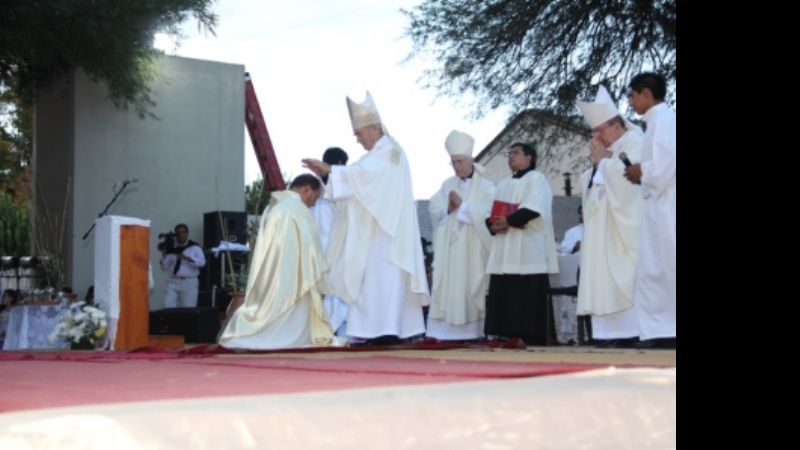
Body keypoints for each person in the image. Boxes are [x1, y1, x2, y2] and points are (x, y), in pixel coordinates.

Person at [302, 91, 429, 344]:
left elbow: (365, 178)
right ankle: (373, 331)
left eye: (359, 133)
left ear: (372, 127)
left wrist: (331, 170)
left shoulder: (391, 151)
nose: (357, 139)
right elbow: (357, 183)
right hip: (373, 232)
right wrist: (329, 175)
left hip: (387, 233)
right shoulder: (374, 156)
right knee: (370, 280)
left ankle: (388, 330)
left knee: (384, 280)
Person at [218, 174, 336, 349]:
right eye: (316, 197)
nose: (314, 203)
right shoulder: (297, 208)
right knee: (290, 314)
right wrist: (320, 279)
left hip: (272, 273)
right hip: (294, 275)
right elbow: (311, 248)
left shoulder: (272, 206)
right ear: (306, 190)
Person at [575, 85, 645, 348]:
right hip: (602, 230)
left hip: (625, 231)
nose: (597, 136)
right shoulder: (608, 151)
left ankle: (633, 331)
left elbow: (633, 186)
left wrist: (604, 163)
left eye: (600, 130)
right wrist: (600, 165)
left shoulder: (637, 142)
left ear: (616, 125)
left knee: (629, 274)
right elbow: (593, 186)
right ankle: (607, 334)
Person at [484, 142, 559, 345]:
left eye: (515, 153)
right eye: (509, 153)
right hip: (505, 248)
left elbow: (534, 209)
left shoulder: (537, 179)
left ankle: (532, 336)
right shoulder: (502, 184)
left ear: (529, 158)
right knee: (505, 290)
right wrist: (494, 225)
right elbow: (489, 215)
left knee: (527, 292)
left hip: (528, 248)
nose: (511, 157)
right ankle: (505, 333)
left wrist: (507, 221)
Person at [426, 130, 495, 341]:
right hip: (451, 249)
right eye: (453, 162)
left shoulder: (487, 186)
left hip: (473, 247)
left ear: (471, 160)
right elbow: (433, 208)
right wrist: (448, 207)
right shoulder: (448, 184)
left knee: (471, 283)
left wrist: (463, 207)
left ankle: (473, 331)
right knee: (447, 284)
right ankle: (444, 333)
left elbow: (489, 214)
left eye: (460, 161)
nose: (456, 166)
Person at [624, 72, 676, 349]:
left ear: (646, 93)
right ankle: (661, 329)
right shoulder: (656, 121)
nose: (630, 102)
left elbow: (666, 165)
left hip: (668, 206)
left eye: (632, 95)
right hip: (658, 205)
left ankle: (668, 329)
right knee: (656, 268)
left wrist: (640, 170)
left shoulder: (665, 120)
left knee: (666, 267)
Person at [310, 146, 350, 337]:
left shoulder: (321, 186)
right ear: (341, 164)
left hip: (322, 247)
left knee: (333, 291)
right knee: (335, 291)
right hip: (334, 246)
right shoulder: (332, 187)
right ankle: (333, 330)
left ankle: (332, 329)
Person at [158, 223, 205, 308]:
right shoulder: (171, 248)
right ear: (176, 234)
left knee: (188, 309)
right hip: (173, 281)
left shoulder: (195, 247)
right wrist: (164, 255)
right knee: (167, 306)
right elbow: (164, 268)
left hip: (189, 282)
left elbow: (202, 263)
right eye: (178, 233)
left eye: (183, 232)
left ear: (187, 234)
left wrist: (187, 258)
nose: (181, 235)